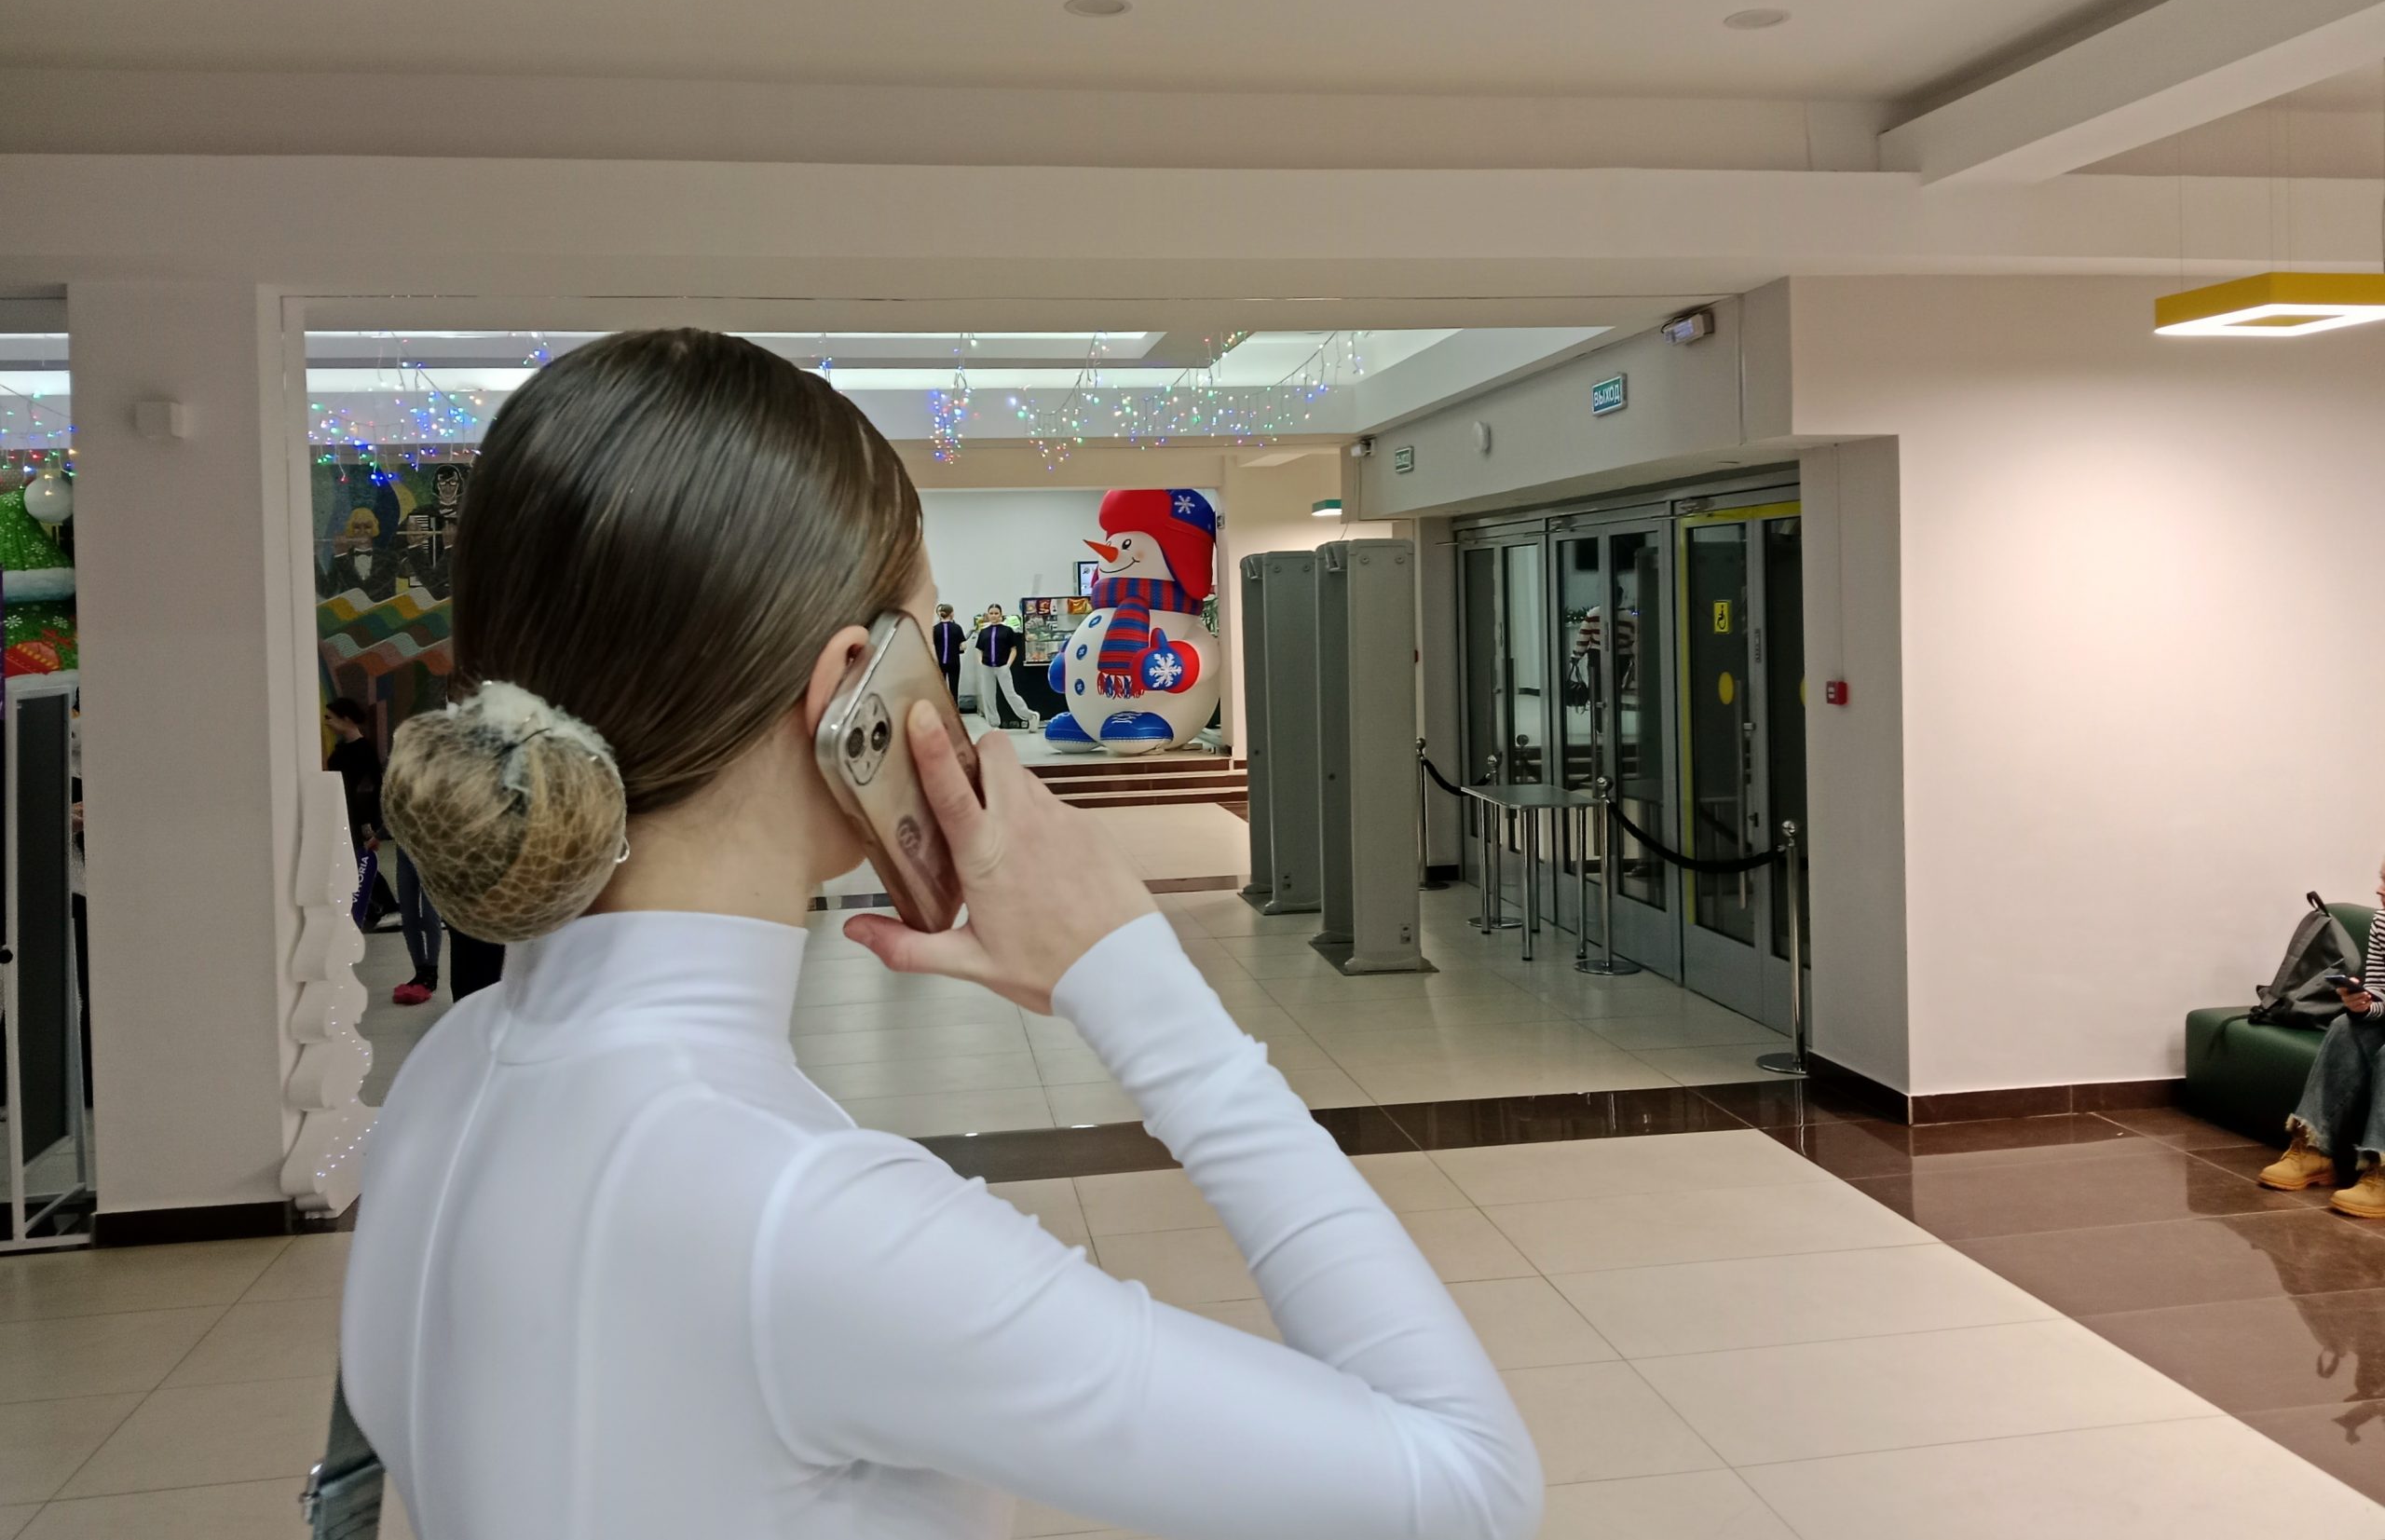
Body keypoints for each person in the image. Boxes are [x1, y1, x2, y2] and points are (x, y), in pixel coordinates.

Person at [347, 330, 1539, 1540]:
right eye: (924, 638)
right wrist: (1137, 980)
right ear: (848, 689)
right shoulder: (806, 1216)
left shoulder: (445, 1078)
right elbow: (1467, 1489)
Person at [2261, 855, 2385, 1218]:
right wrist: (2362, 1005)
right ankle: (2313, 1149)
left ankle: (2382, 1169)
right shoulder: (2383, 922)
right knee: (2345, 1026)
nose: (2379, 889)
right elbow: (2380, 990)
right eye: (2381, 878)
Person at [326, 695, 442, 997]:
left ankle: (430, 970)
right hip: (405, 849)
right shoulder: (396, 769)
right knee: (411, 914)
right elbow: (393, 807)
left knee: (428, 913)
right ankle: (421, 970)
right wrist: (378, 833)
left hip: (428, 851)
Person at [973, 601, 1032, 729]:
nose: (994, 615)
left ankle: (1029, 716)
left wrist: (1008, 665)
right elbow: (979, 649)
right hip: (987, 667)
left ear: (1001, 614)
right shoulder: (984, 632)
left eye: (996, 613)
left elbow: (1013, 649)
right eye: (991, 613)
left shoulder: (1007, 630)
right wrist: (980, 662)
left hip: (1002, 667)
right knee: (988, 696)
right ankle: (994, 724)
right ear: (988, 615)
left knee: (1010, 694)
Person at [930, 601, 967, 702]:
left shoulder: (935, 629)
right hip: (954, 661)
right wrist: (955, 648)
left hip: (940, 662)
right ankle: (954, 707)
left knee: (940, 688)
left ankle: (941, 707)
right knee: (954, 687)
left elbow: (932, 646)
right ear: (951, 614)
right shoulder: (957, 628)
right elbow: (964, 646)